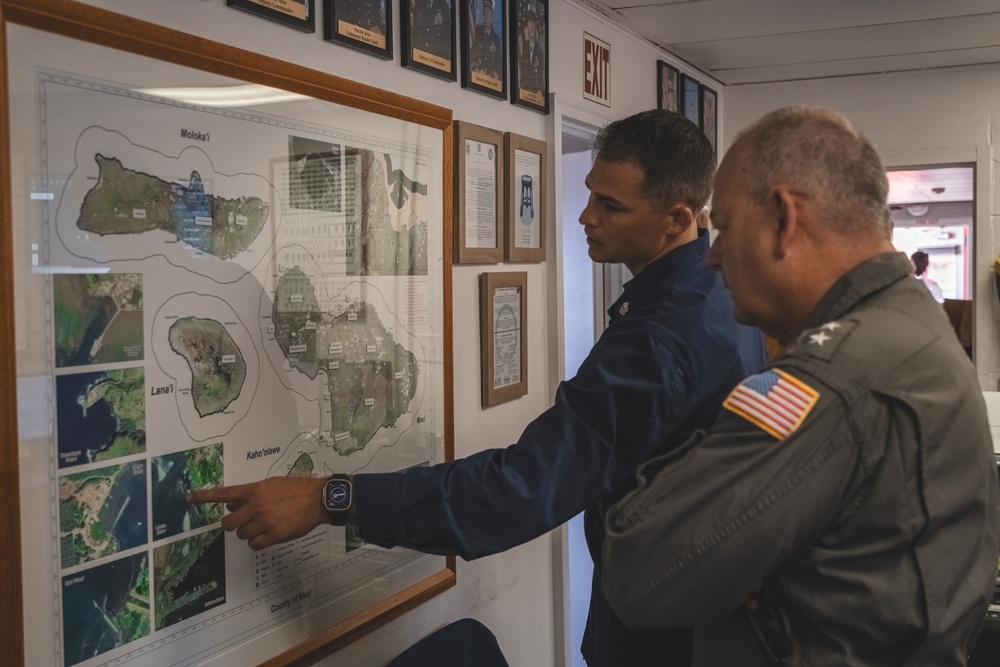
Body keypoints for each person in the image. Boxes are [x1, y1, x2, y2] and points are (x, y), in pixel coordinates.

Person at [190, 109, 768, 666]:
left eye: (611, 205)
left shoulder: (659, 340)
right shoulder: (720, 291)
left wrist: (329, 498)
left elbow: (524, 487)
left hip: (667, 637)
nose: (585, 216)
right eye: (590, 194)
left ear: (676, 217)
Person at [602, 107, 1000, 666]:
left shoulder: (833, 379)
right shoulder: (911, 320)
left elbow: (638, 570)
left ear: (786, 220)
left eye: (728, 227)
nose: (712, 255)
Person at [470, 0, 501, 79]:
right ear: (483, 13)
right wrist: (475, 70)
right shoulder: (477, 32)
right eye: (485, 10)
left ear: (492, 14)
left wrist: (492, 75)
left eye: (489, 11)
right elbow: (472, 56)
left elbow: (499, 66)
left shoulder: (497, 40)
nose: (487, 14)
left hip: (490, 80)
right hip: (478, 76)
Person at [516, 8, 545, 94]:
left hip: (536, 93)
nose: (532, 26)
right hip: (524, 90)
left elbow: (541, 76)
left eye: (534, 22)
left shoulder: (539, 51)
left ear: (536, 25)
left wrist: (541, 91)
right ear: (526, 25)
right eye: (530, 21)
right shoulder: (521, 46)